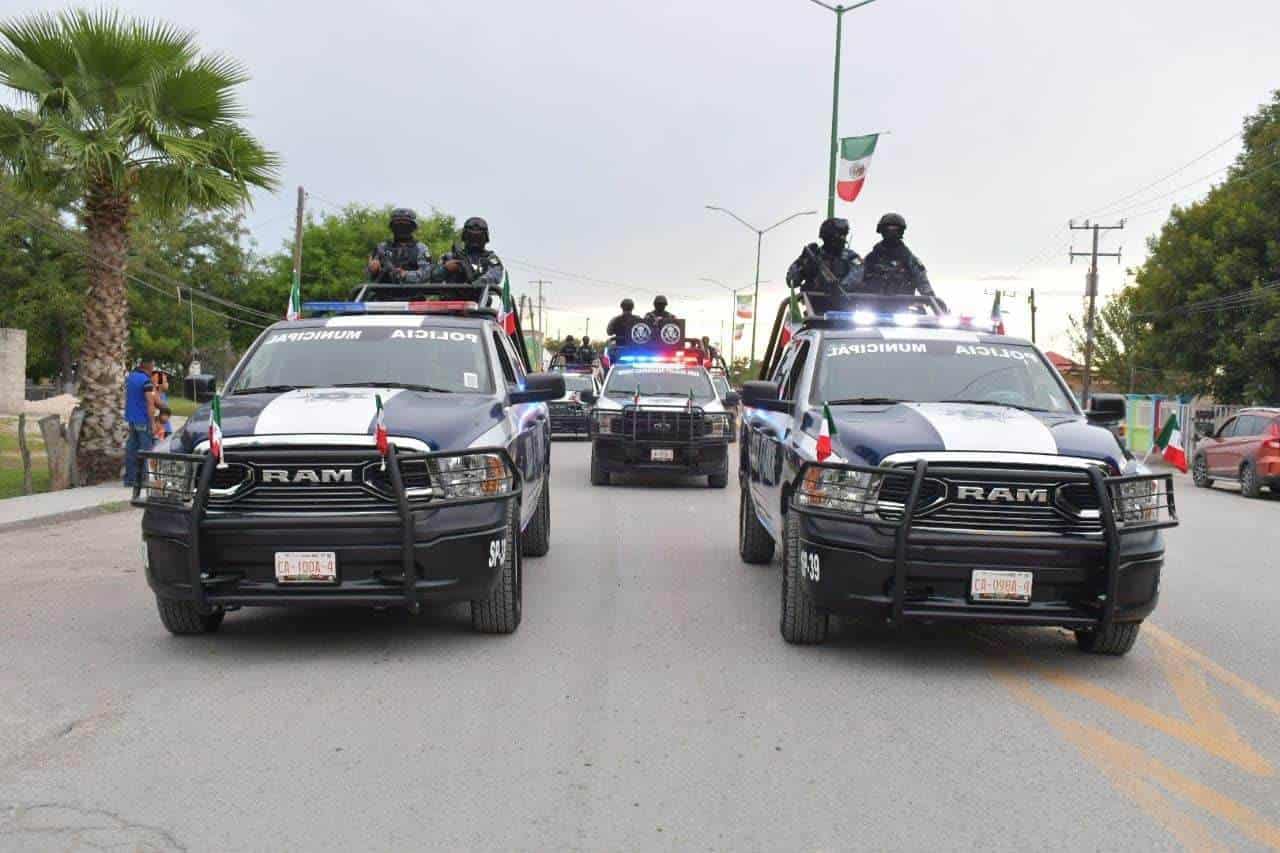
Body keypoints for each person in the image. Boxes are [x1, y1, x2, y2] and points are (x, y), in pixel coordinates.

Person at [862, 213, 937, 302]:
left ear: (901, 231)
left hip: (903, 308)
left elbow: (922, 281)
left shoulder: (909, 258)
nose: (892, 232)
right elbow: (856, 279)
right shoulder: (871, 258)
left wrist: (932, 299)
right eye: (888, 228)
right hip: (872, 308)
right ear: (882, 230)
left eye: (895, 229)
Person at [786, 217, 865, 297]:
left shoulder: (849, 256)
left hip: (845, 304)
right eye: (841, 235)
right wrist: (802, 261)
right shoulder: (813, 256)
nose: (844, 239)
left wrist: (841, 286)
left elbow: (859, 272)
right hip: (814, 305)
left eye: (844, 235)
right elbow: (791, 281)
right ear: (830, 236)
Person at [435, 216, 504, 288]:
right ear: (464, 237)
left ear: (485, 238)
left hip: (479, 297)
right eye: (471, 237)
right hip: (452, 297)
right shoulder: (450, 256)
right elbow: (433, 277)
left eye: (478, 238)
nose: (475, 241)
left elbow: (495, 275)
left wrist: (478, 282)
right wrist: (445, 268)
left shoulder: (490, 259)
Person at [367, 208, 433, 283]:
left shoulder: (421, 248)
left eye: (405, 224)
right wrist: (373, 269)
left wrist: (405, 274)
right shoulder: (382, 247)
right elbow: (369, 273)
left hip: (413, 293)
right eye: (398, 224)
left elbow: (426, 273)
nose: (401, 227)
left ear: (413, 227)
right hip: (383, 292)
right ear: (392, 227)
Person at [123, 358, 156, 487]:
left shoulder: (131, 378)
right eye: (152, 367)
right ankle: (143, 480)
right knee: (145, 451)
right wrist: (152, 422)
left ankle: (130, 479)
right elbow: (150, 402)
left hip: (131, 419)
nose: (153, 370)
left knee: (132, 449)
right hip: (143, 419)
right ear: (148, 367)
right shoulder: (146, 381)